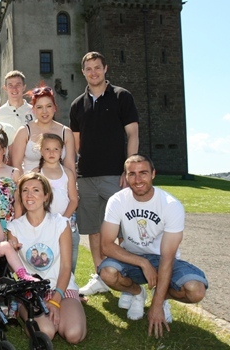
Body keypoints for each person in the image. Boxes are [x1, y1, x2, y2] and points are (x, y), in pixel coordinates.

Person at [98, 154, 208, 338]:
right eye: (131, 174)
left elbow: (167, 257)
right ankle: (137, 293)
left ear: (153, 174)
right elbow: (106, 245)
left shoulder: (171, 205)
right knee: (107, 273)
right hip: (132, 258)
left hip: (163, 259)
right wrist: (143, 262)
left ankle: (162, 297)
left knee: (195, 291)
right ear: (125, 177)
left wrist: (156, 306)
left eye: (143, 173)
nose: (138, 179)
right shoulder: (117, 200)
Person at [70, 51, 139, 296]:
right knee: (94, 229)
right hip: (86, 176)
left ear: (105, 68)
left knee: (123, 230)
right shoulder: (77, 105)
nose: (93, 72)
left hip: (114, 174)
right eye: (88, 69)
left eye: (97, 67)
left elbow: (132, 134)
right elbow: (76, 145)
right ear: (83, 72)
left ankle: (127, 278)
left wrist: (128, 168)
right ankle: (101, 276)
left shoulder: (122, 97)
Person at [6, 173, 87, 344]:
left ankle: (69, 308)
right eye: (25, 190)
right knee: (46, 332)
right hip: (32, 291)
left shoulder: (60, 223)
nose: (29, 195)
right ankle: (22, 308)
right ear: (20, 196)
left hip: (62, 288)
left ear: (46, 196)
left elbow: (66, 266)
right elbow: (15, 269)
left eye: (36, 190)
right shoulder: (14, 228)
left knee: (74, 334)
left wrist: (56, 300)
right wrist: (10, 251)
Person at [32, 133, 80, 272]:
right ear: (41, 150)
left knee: (69, 258)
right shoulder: (37, 173)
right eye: (47, 149)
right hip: (44, 223)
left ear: (62, 151)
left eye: (56, 149)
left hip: (66, 222)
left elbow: (74, 199)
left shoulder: (68, 173)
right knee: (46, 258)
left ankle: (69, 287)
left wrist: (63, 220)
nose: (51, 153)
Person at [10, 84, 76, 175]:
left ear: (54, 108)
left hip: (58, 186)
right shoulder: (24, 132)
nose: (44, 111)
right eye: (39, 107)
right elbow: (17, 165)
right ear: (33, 110)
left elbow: (70, 166)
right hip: (31, 185)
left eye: (48, 106)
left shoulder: (66, 132)